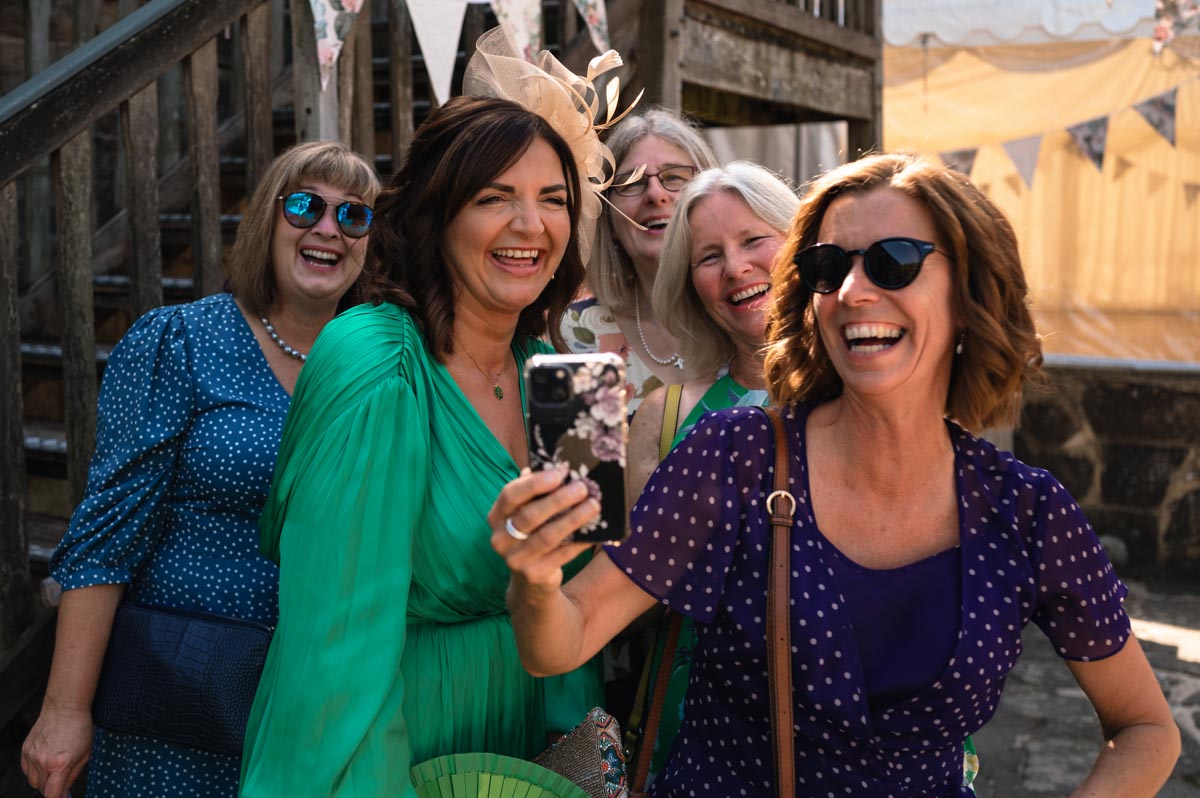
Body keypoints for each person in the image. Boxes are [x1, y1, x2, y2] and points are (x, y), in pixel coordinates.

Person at [490, 152, 1181, 796]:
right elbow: (565, 640)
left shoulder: (1028, 512)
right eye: (828, 266)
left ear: (969, 294)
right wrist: (539, 578)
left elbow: (1148, 729)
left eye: (894, 261)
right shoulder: (737, 455)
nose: (852, 290)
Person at [238, 30, 628, 795]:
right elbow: (335, 646)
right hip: (384, 740)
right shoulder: (374, 358)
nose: (532, 225)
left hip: (516, 752)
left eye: (554, 200)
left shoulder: (571, 385)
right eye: (495, 199)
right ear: (436, 218)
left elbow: (575, 609)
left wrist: (569, 770)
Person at [20, 140, 379, 798]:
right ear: (267, 220)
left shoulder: (374, 368)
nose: (328, 229)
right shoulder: (180, 340)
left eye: (354, 216)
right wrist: (64, 711)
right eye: (305, 206)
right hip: (176, 701)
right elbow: (106, 536)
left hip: (314, 707)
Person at [621, 160, 797, 784]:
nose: (736, 269)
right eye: (708, 257)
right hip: (699, 735)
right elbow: (635, 607)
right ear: (689, 283)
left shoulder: (877, 400)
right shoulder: (664, 418)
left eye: (754, 241)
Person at [559, 108, 719, 413]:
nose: (655, 194)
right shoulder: (576, 335)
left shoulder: (747, 314)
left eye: (675, 177)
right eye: (632, 183)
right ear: (608, 220)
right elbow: (578, 460)